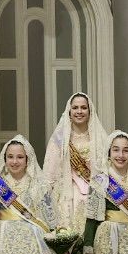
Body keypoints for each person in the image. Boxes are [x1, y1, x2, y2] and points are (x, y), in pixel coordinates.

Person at [42, 92, 110, 239]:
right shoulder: (59, 139)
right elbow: (50, 172)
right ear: (69, 111)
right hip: (67, 194)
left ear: (90, 111)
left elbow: (107, 170)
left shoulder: (100, 138)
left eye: (83, 108)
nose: (79, 111)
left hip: (94, 193)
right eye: (75, 108)